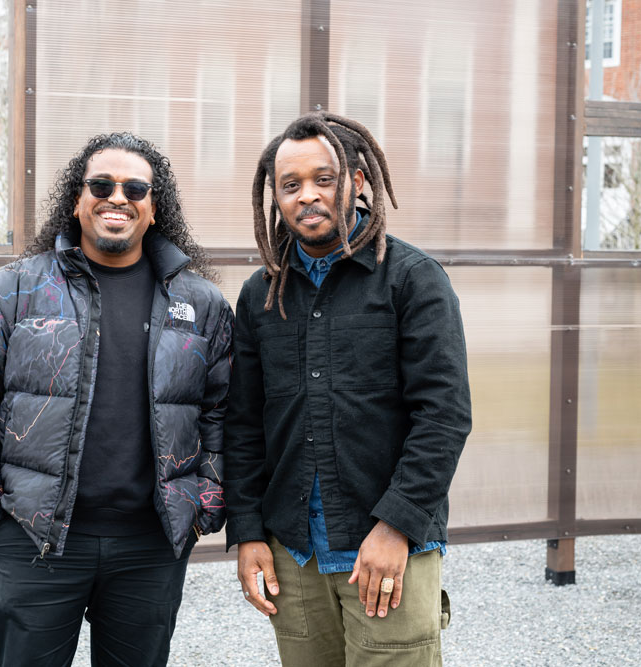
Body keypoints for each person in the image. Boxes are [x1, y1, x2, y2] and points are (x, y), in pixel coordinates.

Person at [0, 132, 233, 667]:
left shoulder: (200, 303)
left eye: (136, 187)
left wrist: (204, 502)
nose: (118, 197)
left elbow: (226, 410)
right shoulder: (13, 290)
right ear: (77, 198)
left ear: (154, 208)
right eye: (101, 184)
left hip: (150, 547)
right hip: (35, 541)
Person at [223, 112, 471, 666]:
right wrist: (247, 533)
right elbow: (242, 424)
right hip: (295, 555)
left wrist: (397, 525)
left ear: (358, 181)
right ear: (276, 196)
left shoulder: (413, 279)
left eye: (324, 178)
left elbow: (444, 414)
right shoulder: (260, 294)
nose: (307, 196)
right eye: (291, 185)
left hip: (386, 549)